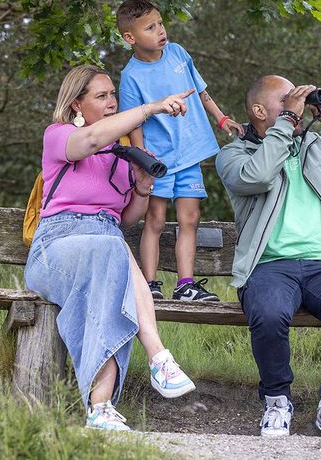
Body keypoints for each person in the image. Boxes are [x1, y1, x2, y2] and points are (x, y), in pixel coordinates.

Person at [24, 64, 198, 431]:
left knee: (111, 260)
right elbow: (89, 141)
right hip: (56, 247)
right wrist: (151, 108)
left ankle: (100, 408)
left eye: (112, 95)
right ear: (76, 105)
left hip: (104, 249)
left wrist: (143, 185)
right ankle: (157, 355)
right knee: (112, 248)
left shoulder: (120, 156)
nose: (110, 102)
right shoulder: (58, 137)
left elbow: (128, 216)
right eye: (101, 96)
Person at [215, 76, 321, 438]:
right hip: (269, 266)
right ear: (260, 111)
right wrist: (287, 124)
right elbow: (256, 177)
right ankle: (277, 402)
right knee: (269, 314)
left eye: (299, 99)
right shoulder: (234, 155)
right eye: (286, 99)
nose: (297, 104)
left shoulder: (315, 146)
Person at [116, 0, 244, 302]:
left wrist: (221, 117)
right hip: (159, 161)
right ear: (130, 38)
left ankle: (185, 285)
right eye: (150, 27)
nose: (160, 30)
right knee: (156, 221)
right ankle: (149, 285)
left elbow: (201, 91)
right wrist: (142, 159)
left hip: (189, 155)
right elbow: (134, 123)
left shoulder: (178, 53)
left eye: (160, 23)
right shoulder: (130, 76)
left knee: (190, 219)